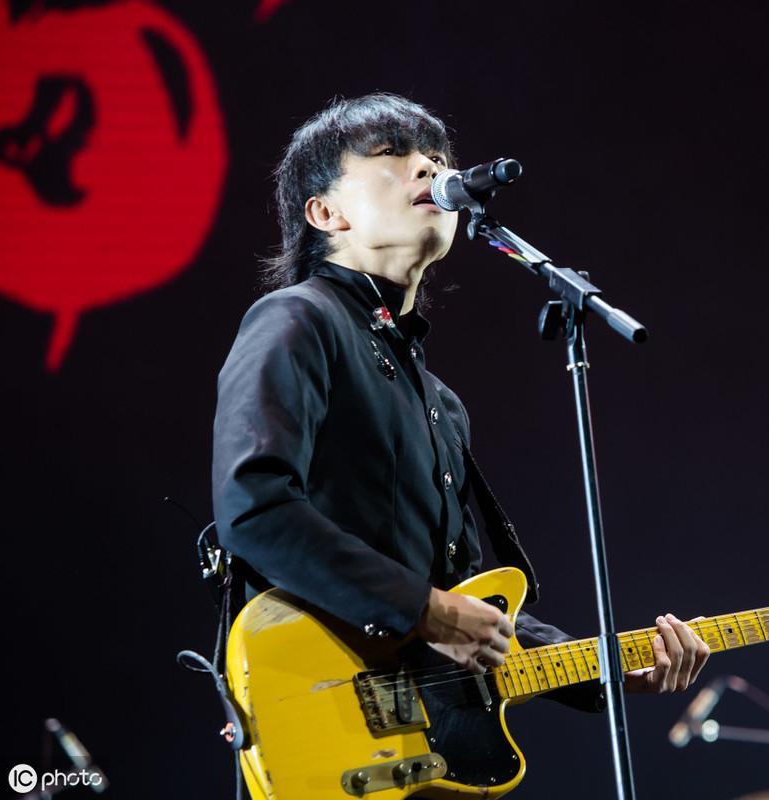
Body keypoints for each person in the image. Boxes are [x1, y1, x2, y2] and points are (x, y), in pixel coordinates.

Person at [211, 93, 709, 716]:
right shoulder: (296, 319)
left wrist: (609, 671)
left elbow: (466, 601)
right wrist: (424, 609)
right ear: (325, 212)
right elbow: (254, 510)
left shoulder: (439, 401)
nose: (431, 167)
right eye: (392, 153)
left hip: (423, 739)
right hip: (317, 710)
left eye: (438, 156)